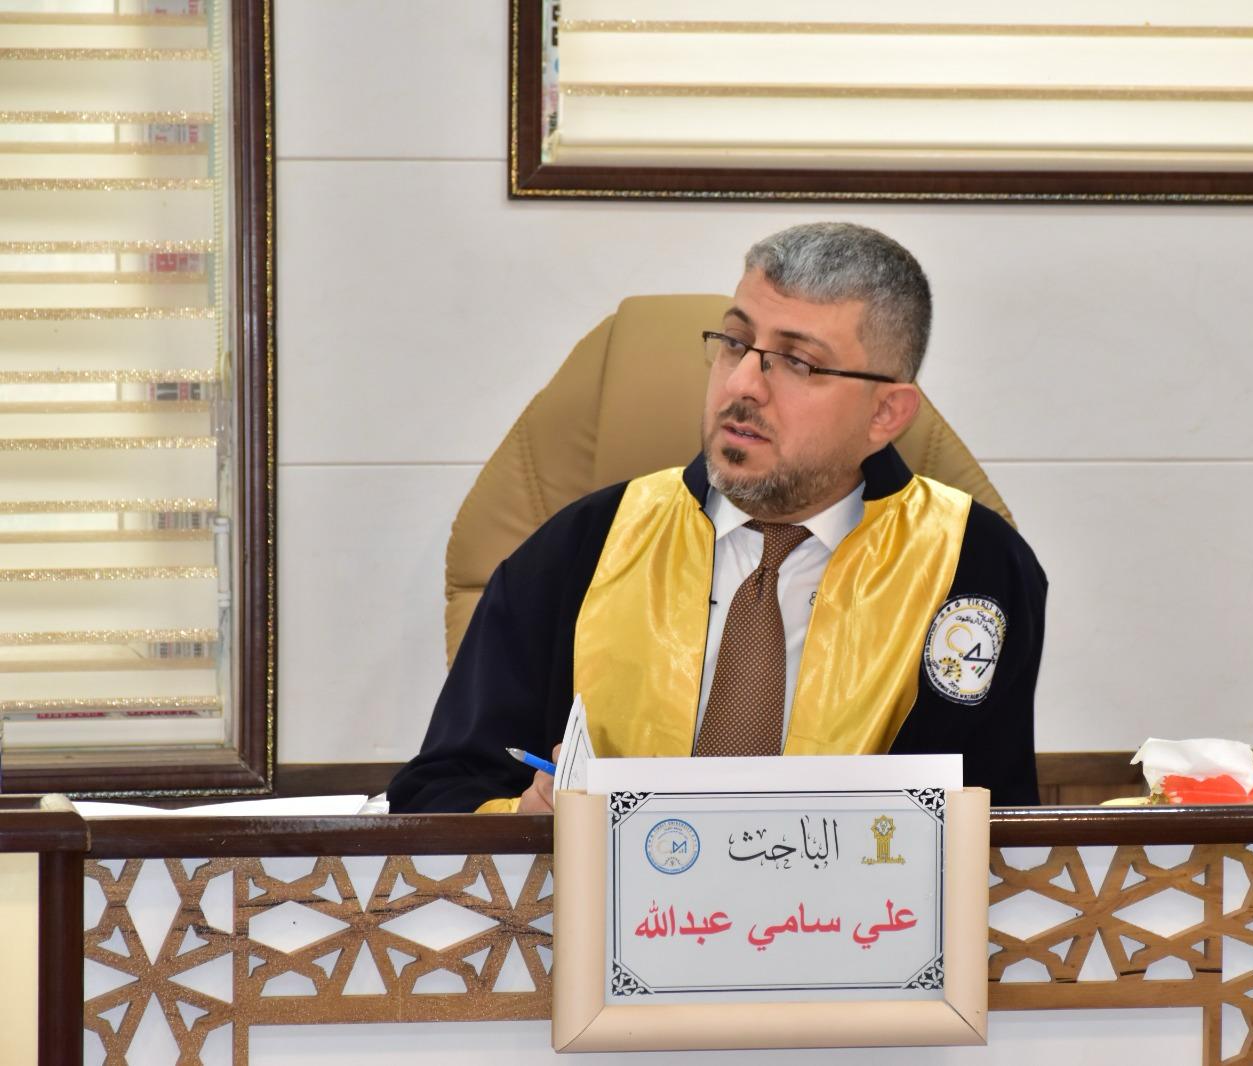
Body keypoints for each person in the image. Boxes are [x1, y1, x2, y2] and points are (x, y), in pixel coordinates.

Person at [388, 222, 1046, 813]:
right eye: (735, 343)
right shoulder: (586, 545)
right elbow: (439, 790)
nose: (741, 385)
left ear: (885, 414)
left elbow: (994, 830)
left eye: (797, 362)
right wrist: (526, 821)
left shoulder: (970, 564)